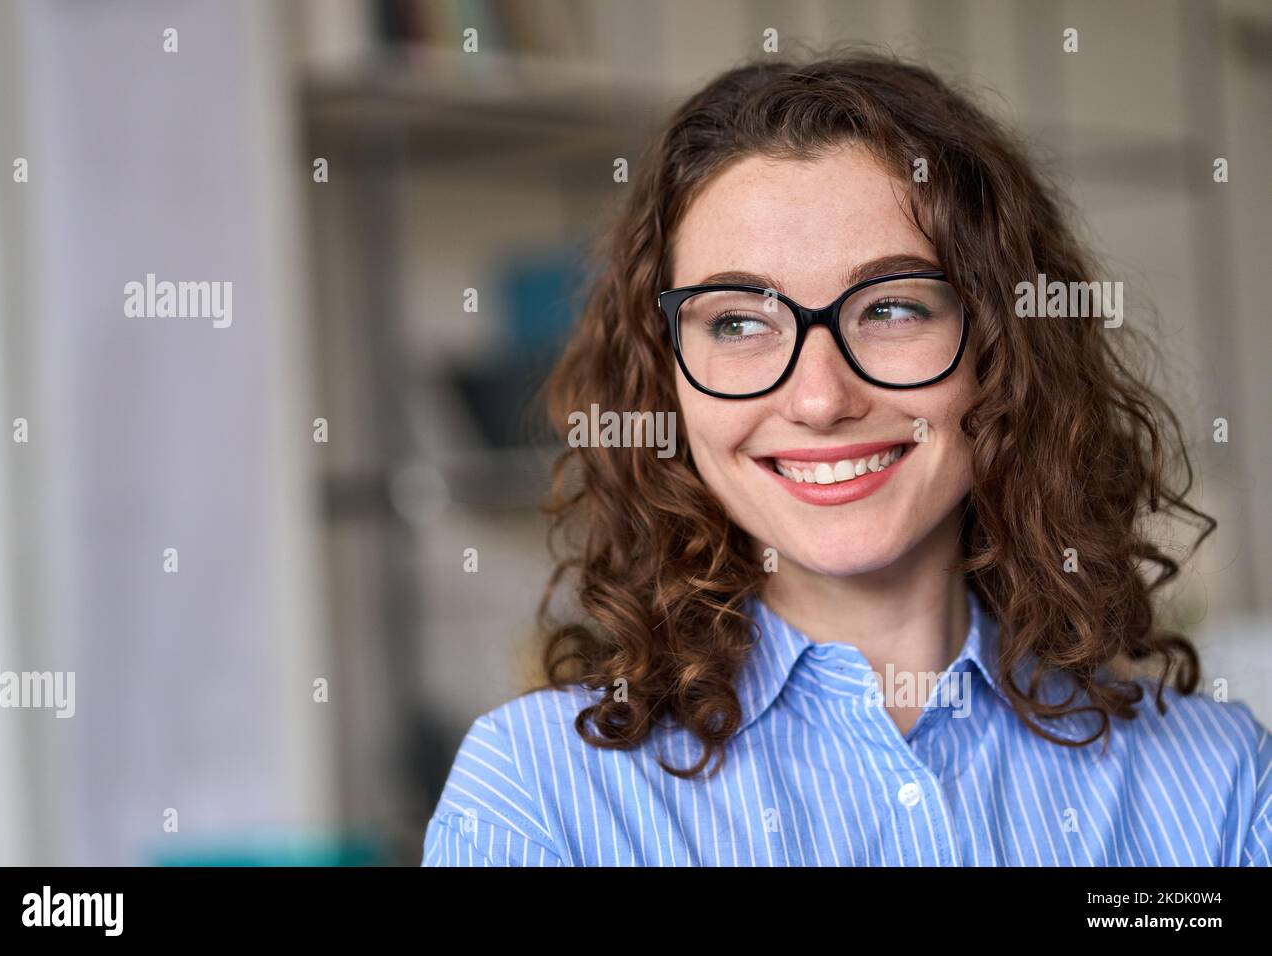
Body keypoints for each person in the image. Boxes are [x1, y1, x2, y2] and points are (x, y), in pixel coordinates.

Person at [421, 51, 1272, 866]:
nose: (821, 399)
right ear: (665, 382)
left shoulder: (1220, 785)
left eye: (894, 308)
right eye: (739, 323)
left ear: (1005, 352)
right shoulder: (539, 798)